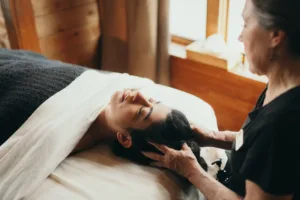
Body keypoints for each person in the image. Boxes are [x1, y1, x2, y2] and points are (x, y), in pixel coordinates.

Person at [142, 0, 300, 199]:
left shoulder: (282, 124)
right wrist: (212, 136)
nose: (240, 36)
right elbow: (258, 147)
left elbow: (269, 143)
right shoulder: (281, 83)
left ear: (275, 35)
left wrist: (190, 170)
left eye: (245, 24)